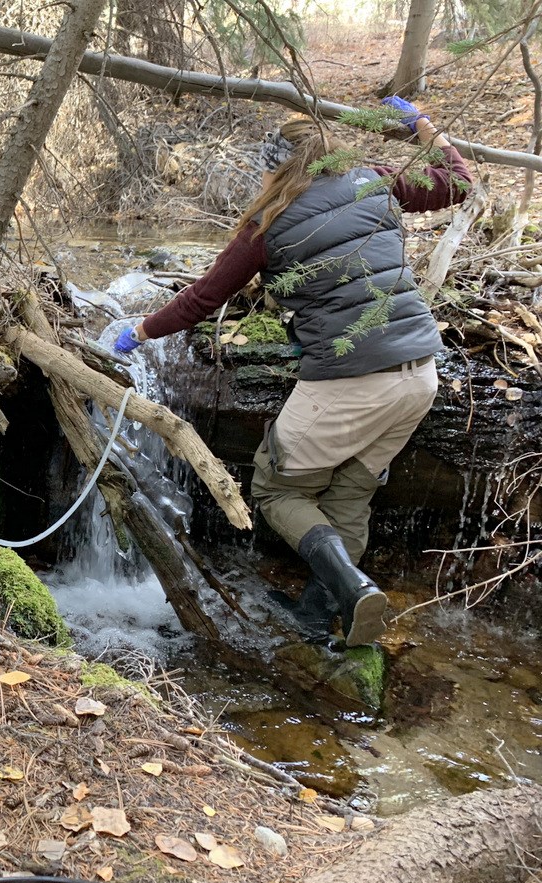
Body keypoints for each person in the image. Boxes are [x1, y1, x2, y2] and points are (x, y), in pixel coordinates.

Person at [114, 98, 473, 647]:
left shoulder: (269, 223)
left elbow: (204, 298)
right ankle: (321, 617)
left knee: (276, 488)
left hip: (350, 377)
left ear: (276, 168)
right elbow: (458, 183)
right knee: (350, 492)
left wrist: (140, 331)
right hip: (421, 372)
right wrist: (424, 126)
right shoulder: (371, 181)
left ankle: (353, 586)